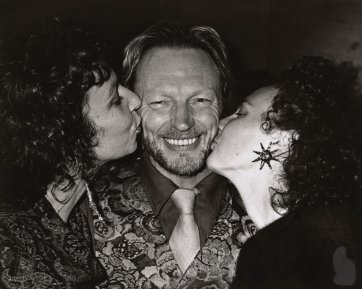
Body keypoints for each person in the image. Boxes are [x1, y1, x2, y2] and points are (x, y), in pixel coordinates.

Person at [90, 21, 256, 289]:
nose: (182, 122)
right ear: (132, 106)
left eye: (201, 100)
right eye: (159, 102)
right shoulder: (84, 205)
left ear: (224, 101)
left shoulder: (272, 208)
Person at [0, 18, 141, 289]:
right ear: (64, 132)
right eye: (115, 100)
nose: (135, 100)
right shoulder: (11, 247)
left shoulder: (74, 211)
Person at [207, 56, 362, 289]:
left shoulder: (284, 250)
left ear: (285, 137)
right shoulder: (324, 228)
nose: (219, 123)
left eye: (240, 113)